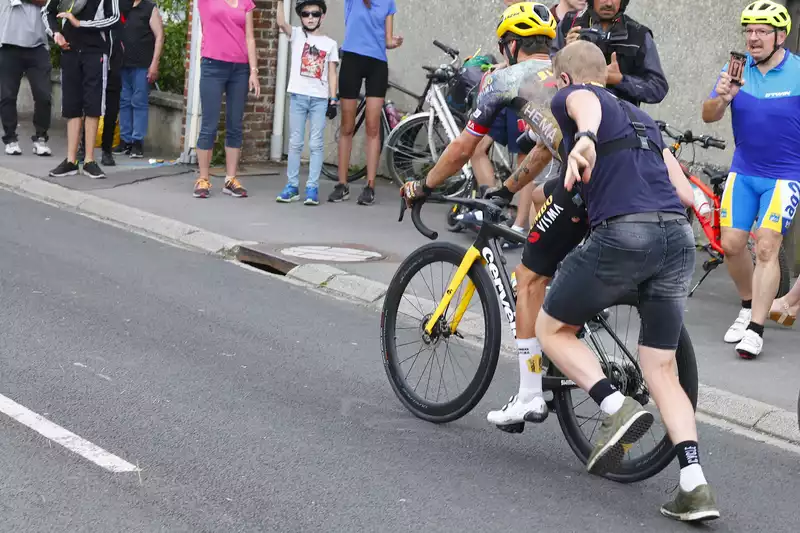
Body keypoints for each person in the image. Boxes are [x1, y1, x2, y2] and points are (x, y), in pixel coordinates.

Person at [536, 40, 717, 522]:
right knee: (661, 369)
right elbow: (682, 187)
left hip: (625, 232)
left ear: (567, 78)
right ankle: (694, 485)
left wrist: (586, 137)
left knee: (551, 329)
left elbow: (583, 103)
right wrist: (708, 218)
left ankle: (614, 404)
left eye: (560, 83)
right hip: (677, 237)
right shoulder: (645, 121)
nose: (559, 91)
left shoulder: (574, 98)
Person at [701, 1, 798, 359]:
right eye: (749, 30)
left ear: (780, 36)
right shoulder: (735, 70)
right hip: (744, 171)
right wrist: (724, 98)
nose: (753, 38)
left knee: (768, 245)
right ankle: (747, 306)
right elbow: (708, 115)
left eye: (761, 31)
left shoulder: (798, 73)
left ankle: (756, 328)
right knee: (731, 244)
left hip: (786, 175)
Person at [329, 0, 403, 206]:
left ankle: (370, 186)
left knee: (372, 126)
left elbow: (387, 40)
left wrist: (394, 42)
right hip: (352, 59)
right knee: (347, 125)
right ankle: (342, 184)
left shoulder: (388, 2)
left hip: (377, 63)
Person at [43, 0, 121, 179]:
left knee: (93, 104)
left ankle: (89, 160)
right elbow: (47, 11)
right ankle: (71, 161)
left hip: (95, 51)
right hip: (70, 50)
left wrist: (80, 23)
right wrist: (56, 34)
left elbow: (114, 18)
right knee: (72, 105)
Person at [192, 0, 261, 199]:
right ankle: (203, 178)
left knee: (235, 124)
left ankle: (230, 179)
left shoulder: (246, 2)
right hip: (213, 66)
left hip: (239, 69)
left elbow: (250, 37)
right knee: (209, 124)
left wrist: (254, 72)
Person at [275, 0, 339, 207]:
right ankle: (292, 186)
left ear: (322, 16)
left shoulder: (330, 44)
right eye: (305, 14)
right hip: (298, 96)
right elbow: (281, 22)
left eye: (314, 14)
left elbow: (331, 73)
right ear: (301, 17)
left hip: (319, 99)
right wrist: (279, 3)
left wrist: (333, 98)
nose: (310, 18)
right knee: (295, 143)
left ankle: (312, 187)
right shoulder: (296, 35)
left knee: (316, 143)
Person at [550, 0, 668, 107]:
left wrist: (620, 80)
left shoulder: (638, 35)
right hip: (571, 114)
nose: (609, 4)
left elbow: (658, 89)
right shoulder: (569, 25)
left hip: (619, 122)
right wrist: (567, 52)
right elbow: (545, 75)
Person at [0, 0, 52, 157]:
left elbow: (49, 3)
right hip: (8, 45)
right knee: (8, 96)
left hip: (37, 46)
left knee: (44, 95)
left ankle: (40, 139)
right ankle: (10, 139)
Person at [114, 0, 164, 160]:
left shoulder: (149, 8)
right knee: (124, 101)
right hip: (123, 63)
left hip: (142, 64)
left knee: (139, 101)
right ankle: (125, 140)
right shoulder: (121, 6)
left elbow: (160, 36)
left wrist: (154, 63)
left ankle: (137, 142)